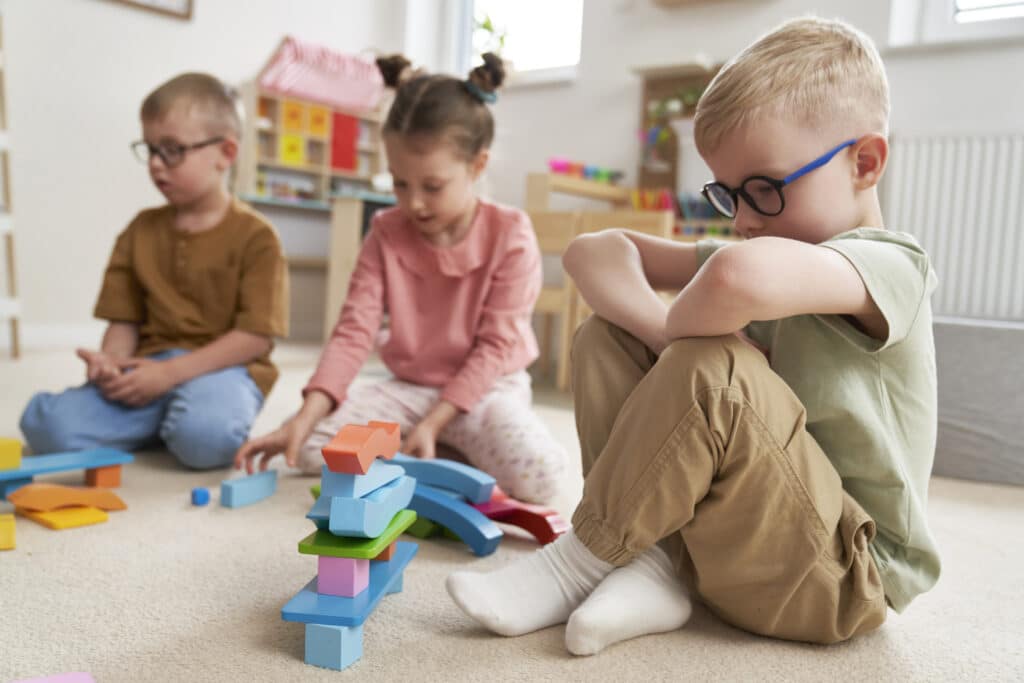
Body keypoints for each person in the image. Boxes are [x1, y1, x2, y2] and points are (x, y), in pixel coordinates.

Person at [446, 17, 941, 655]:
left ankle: (582, 560)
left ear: (864, 163)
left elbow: (736, 279)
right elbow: (594, 251)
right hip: (737, 547)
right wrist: (660, 332)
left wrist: (685, 345)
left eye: (763, 189)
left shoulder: (890, 265)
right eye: (727, 194)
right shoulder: (766, 238)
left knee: (713, 365)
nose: (741, 219)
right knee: (610, 335)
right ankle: (648, 559)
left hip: (843, 574)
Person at [234, 53, 566, 504]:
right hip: (410, 389)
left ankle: (439, 445)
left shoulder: (511, 233)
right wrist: (303, 416)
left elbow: (494, 347)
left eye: (432, 186)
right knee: (313, 447)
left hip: (485, 390)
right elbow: (354, 333)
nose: (415, 204)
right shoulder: (387, 232)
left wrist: (434, 423)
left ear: (477, 165)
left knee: (542, 480)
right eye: (399, 184)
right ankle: (442, 454)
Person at [20, 73, 288, 470]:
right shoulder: (139, 230)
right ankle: (162, 420)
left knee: (206, 440)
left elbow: (254, 338)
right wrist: (110, 363)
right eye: (150, 150)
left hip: (223, 370)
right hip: (147, 367)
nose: (156, 165)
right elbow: (124, 322)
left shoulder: (258, 237)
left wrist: (171, 374)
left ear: (226, 152)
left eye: (172, 150)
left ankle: (168, 420)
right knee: (46, 427)